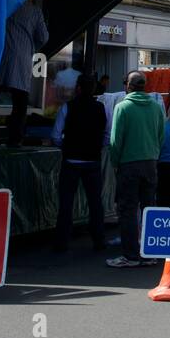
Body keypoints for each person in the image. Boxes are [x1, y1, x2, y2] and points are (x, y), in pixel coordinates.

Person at [106, 71, 165, 268]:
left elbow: (115, 141)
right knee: (149, 208)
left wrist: (116, 163)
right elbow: (160, 136)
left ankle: (130, 255)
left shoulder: (122, 107)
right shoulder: (156, 107)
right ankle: (149, 253)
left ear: (128, 86)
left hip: (129, 164)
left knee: (128, 210)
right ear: (144, 86)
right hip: (150, 163)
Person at [0, 0, 49, 147]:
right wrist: (30, 47)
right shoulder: (35, 11)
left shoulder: (5, 5)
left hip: (0, 57)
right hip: (22, 61)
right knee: (20, 102)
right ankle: (15, 137)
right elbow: (43, 37)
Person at [52, 74, 107, 252]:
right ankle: (99, 240)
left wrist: (66, 146)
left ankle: (61, 242)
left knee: (66, 202)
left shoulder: (67, 107)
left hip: (71, 159)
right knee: (95, 202)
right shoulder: (101, 108)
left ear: (78, 88)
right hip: (92, 160)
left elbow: (55, 135)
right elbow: (107, 134)